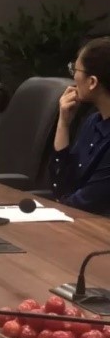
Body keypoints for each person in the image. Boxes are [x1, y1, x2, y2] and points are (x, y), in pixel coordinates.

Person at [51, 37, 110, 216]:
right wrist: (63, 123)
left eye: (75, 70)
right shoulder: (94, 122)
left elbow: (86, 204)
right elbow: (60, 186)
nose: (74, 77)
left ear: (92, 82)